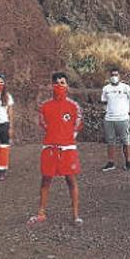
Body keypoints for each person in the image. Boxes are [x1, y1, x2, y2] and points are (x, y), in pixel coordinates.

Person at [28, 72, 83, 226]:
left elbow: (77, 124)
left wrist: (67, 138)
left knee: (71, 180)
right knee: (46, 180)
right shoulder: (45, 106)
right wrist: (54, 136)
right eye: (56, 83)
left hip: (68, 148)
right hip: (50, 148)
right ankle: (41, 213)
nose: (59, 85)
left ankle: (75, 215)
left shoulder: (73, 106)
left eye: (63, 82)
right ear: (51, 85)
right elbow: (43, 123)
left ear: (67, 86)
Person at [100, 68, 130, 172]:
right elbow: (104, 102)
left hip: (123, 118)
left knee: (125, 141)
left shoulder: (126, 87)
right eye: (112, 75)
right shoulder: (106, 89)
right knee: (110, 141)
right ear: (109, 76)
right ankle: (111, 162)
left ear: (120, 76)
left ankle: (128, 162)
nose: (114, 77)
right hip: (109, 119)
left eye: (116, 75)